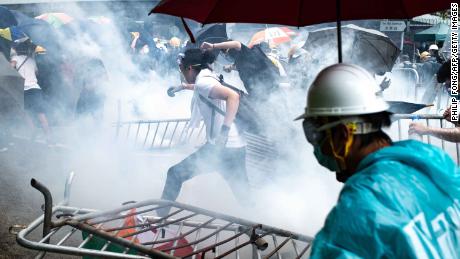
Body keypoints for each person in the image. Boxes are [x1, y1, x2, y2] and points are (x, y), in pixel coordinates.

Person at [296, 63, 460, 257]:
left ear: (342, 135)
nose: (315, 146)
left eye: (313, 133)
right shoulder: (432, 160)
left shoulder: (355, 217)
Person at [158, 49, 251, 216]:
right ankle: (267, 224)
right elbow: (203, 88)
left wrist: (224, 129)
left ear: (190, 69)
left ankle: (157, 219)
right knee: (246, 199)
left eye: (182, 71)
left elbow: (233, 97)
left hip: (222, 148)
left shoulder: (204, 82)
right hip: (234, 147)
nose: (182, 74)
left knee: (174, 174)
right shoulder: (207, 77)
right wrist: (183, 87)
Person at [200, 40, 280, 103]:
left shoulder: (247, 52)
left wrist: (213, 46)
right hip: (258, 92)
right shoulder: (240, 61)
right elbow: (241, 66)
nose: (227, 55)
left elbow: (237, 43)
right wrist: (230, 68)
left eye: (227, 52)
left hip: (268, 84)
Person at [10, 40, 51, 141]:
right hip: (35, 88)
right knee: (40, 113)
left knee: (25, 112)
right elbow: (36, 73)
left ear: (18, 49)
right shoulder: (32, 60)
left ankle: (33, 131)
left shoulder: (15, 58)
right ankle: (49, 136)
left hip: (24, 89)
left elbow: (10, 68)